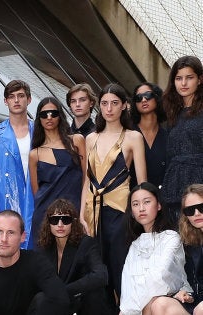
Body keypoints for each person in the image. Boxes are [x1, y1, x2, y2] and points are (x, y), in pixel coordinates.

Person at [80, 83, 146, 301]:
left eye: (115, 103)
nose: (109, 108)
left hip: (120, 212)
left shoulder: (133, 137)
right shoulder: (91, 138)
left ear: (125, 106)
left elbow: (142, 183)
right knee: (96, 269)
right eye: (105, 103)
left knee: (120, 266)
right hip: (92, 212)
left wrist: (141, 214)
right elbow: (87, 180)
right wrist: (81, 214)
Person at [0, 210, 70, 314]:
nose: (4, 239)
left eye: (11, 232)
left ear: (22, 237)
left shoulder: (37, 263)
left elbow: (60, 299)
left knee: (42, 300)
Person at [120, 182, 191, 315]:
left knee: (158, 304)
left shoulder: (171, 237)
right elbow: (128, 287)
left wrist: (142, 309)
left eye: (147, 202)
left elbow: (160, 278)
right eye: (135, 204)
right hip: (144, 308)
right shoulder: (134, 245)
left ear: (158, 205)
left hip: (175, 302)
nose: (141, 208)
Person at [28, 97, 85, 247]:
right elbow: (36, 192)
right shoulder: (35, 153)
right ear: (38, 119)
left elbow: (86, 179)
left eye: (53, 113)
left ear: (60, 115)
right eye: (44, 114)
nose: (49, 117)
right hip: (44, 216)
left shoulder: (76, 141)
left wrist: (82, 213)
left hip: (73, 213)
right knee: (44, 264)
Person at [35, 199, 108, 315]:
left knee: (95, 293)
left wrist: (64, 291)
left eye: (65, 219)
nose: (60, 225)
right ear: (48, 223)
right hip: (57, 304)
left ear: (73, 222)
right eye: (54, 220)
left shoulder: (86, 243)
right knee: (39, 298)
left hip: (80, 301)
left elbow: (101, 275)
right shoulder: (44, 247)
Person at [0, 79, 35, 248]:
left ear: (29, 100)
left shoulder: (39, 132)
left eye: (21, 96)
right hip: (5, 202)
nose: (16, 100)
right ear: (5, 101)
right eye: (12, 97)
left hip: (35, 201)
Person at [162, 56, 203, 223]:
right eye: (179, 78)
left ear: (200, 80)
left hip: (199, 185)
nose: (183, 83)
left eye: (189, 77)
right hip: (175, 187)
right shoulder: (172, 113)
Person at [129, 82, 167, 190]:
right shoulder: (128, 134)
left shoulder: (168, 136)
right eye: (138, 98)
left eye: (148, 95)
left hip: (162, 199)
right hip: (133, 199)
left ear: (157, 98)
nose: (144, 100)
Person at [179, 184, 203, 314]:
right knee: (161, 303)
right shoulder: (189, 244)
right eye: (190, 210)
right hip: (198, 304)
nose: (197, 213)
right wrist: (188, 295)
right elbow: (193, 284)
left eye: (202, 207)